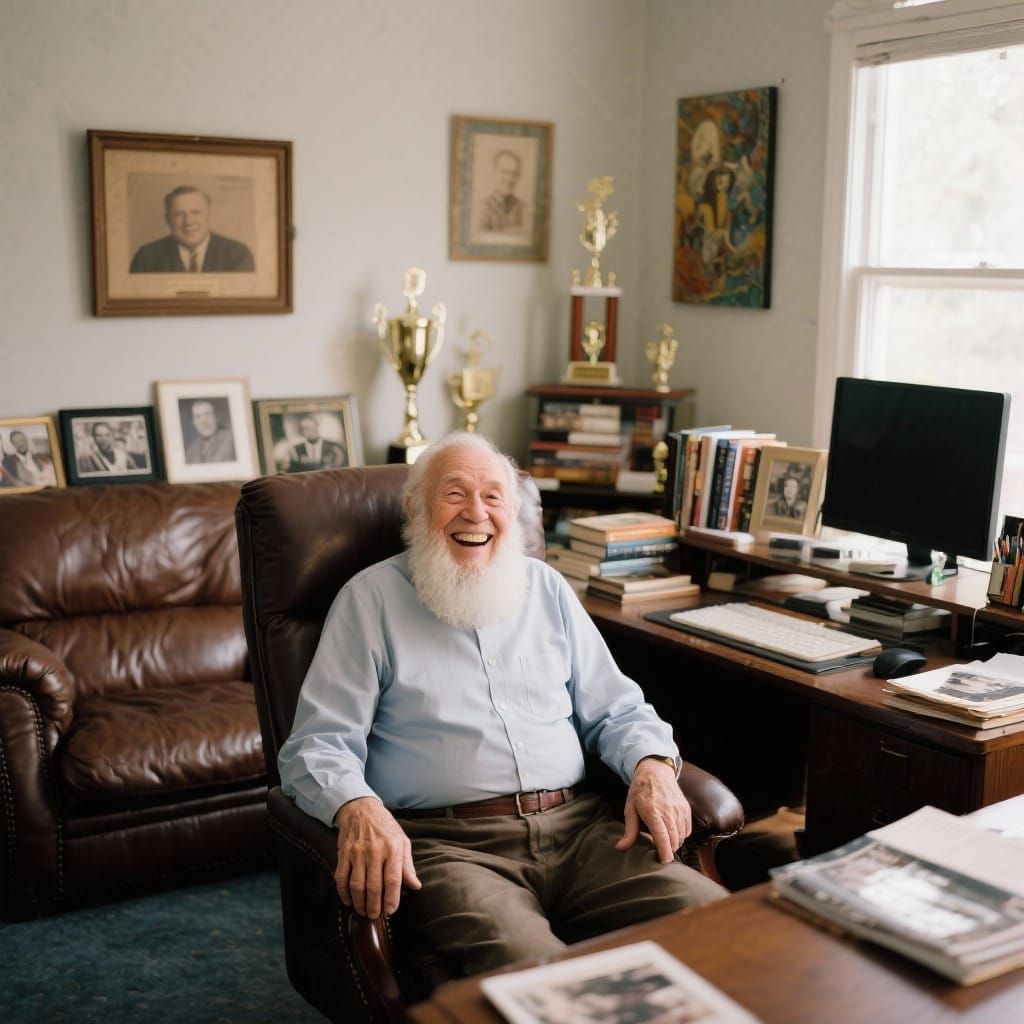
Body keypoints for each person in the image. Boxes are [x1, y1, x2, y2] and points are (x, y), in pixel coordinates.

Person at [277, 432, 725, 978]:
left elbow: (618, 710)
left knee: (719, 925)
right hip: (452, 848)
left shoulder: (548, 589)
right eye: (454, 494)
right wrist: (358, 806)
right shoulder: (369, 601)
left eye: (493, 497)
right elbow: (316, 746)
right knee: (537, 976)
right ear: (415, 508)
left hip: (585, 833)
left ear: (512, 513)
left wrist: (651, 765)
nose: (476, 513)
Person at [129, 186, 254, 273]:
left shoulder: (237, 254)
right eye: (179, 214)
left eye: (196, 213)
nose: (188, 222)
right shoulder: (146, 257)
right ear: (167, 220)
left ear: (208, 215)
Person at [478, 150, 527, 234]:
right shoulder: (482, 208)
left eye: (514, 174)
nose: (509, 179)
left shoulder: (524, 208)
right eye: (504, 172)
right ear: (493, 172)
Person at [184, 399, 236, 465]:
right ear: (193, 422)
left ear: (217, 417)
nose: (203, 421)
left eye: (207, 414)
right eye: (198, 417)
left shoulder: (232, 439)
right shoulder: (191, 451)